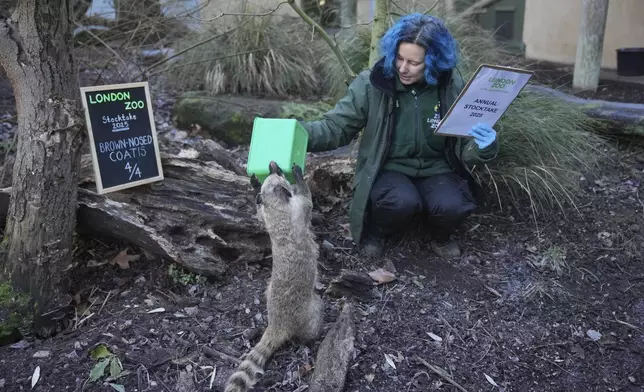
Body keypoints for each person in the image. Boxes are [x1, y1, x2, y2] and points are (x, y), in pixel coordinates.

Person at [299, 13, 499, 259]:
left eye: (414, 63)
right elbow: (336, 127)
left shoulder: (451, 86)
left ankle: (439, 235)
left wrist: (484, 146)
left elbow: (466, 145)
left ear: (434, 62)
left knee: (453, 205)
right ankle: (378, 232)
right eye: (399, 58)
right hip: (388, 168)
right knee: (400, 202)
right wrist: (296, 133)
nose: (403, 68)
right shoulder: (372, 84)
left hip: (437, 169)